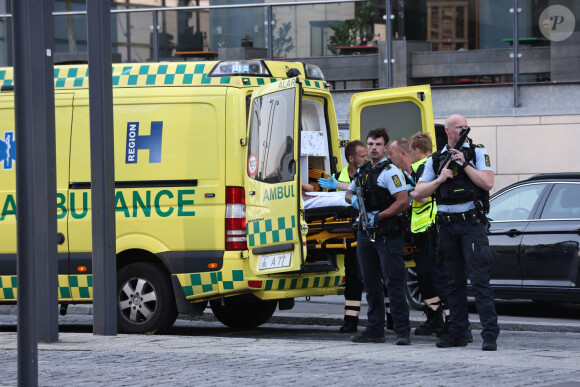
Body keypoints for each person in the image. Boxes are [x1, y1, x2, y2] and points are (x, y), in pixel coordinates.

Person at [413, 114, 499, 351]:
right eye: (459, 128)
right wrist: (440, 179)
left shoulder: (478, 153)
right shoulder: (436, 159)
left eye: (465, 127)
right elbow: (418, 193)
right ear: (448, 131)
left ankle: (490, 334)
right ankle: (458, 332)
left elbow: (488, 183)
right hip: (446, 227)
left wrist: (465, 164)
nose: (463, 131)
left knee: (480, 280)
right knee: (453, 282)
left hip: (471, 225)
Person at [318, 141, 396, 333]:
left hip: (374, 230)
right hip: (349, 234)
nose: (366, 157)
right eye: (362, 155)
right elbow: (324, 200)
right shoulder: (336, 178)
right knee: (353, 278)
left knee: (383, 278)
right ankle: (350, 321)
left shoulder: (370, 173)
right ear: (351, 158)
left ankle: (391, 319)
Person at [345, 128, 411, 345]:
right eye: (370, 144)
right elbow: (349, 192)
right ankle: (374, 330)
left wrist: (379, 216)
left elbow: (402, 201)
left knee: (393, 282)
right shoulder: (362, 170)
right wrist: (352, 200)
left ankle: (402, 330)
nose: (373, 148)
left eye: (378, 144)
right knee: (370, 283)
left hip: (386, 233)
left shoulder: (391, 172)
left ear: (385, 147)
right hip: (365, 233)